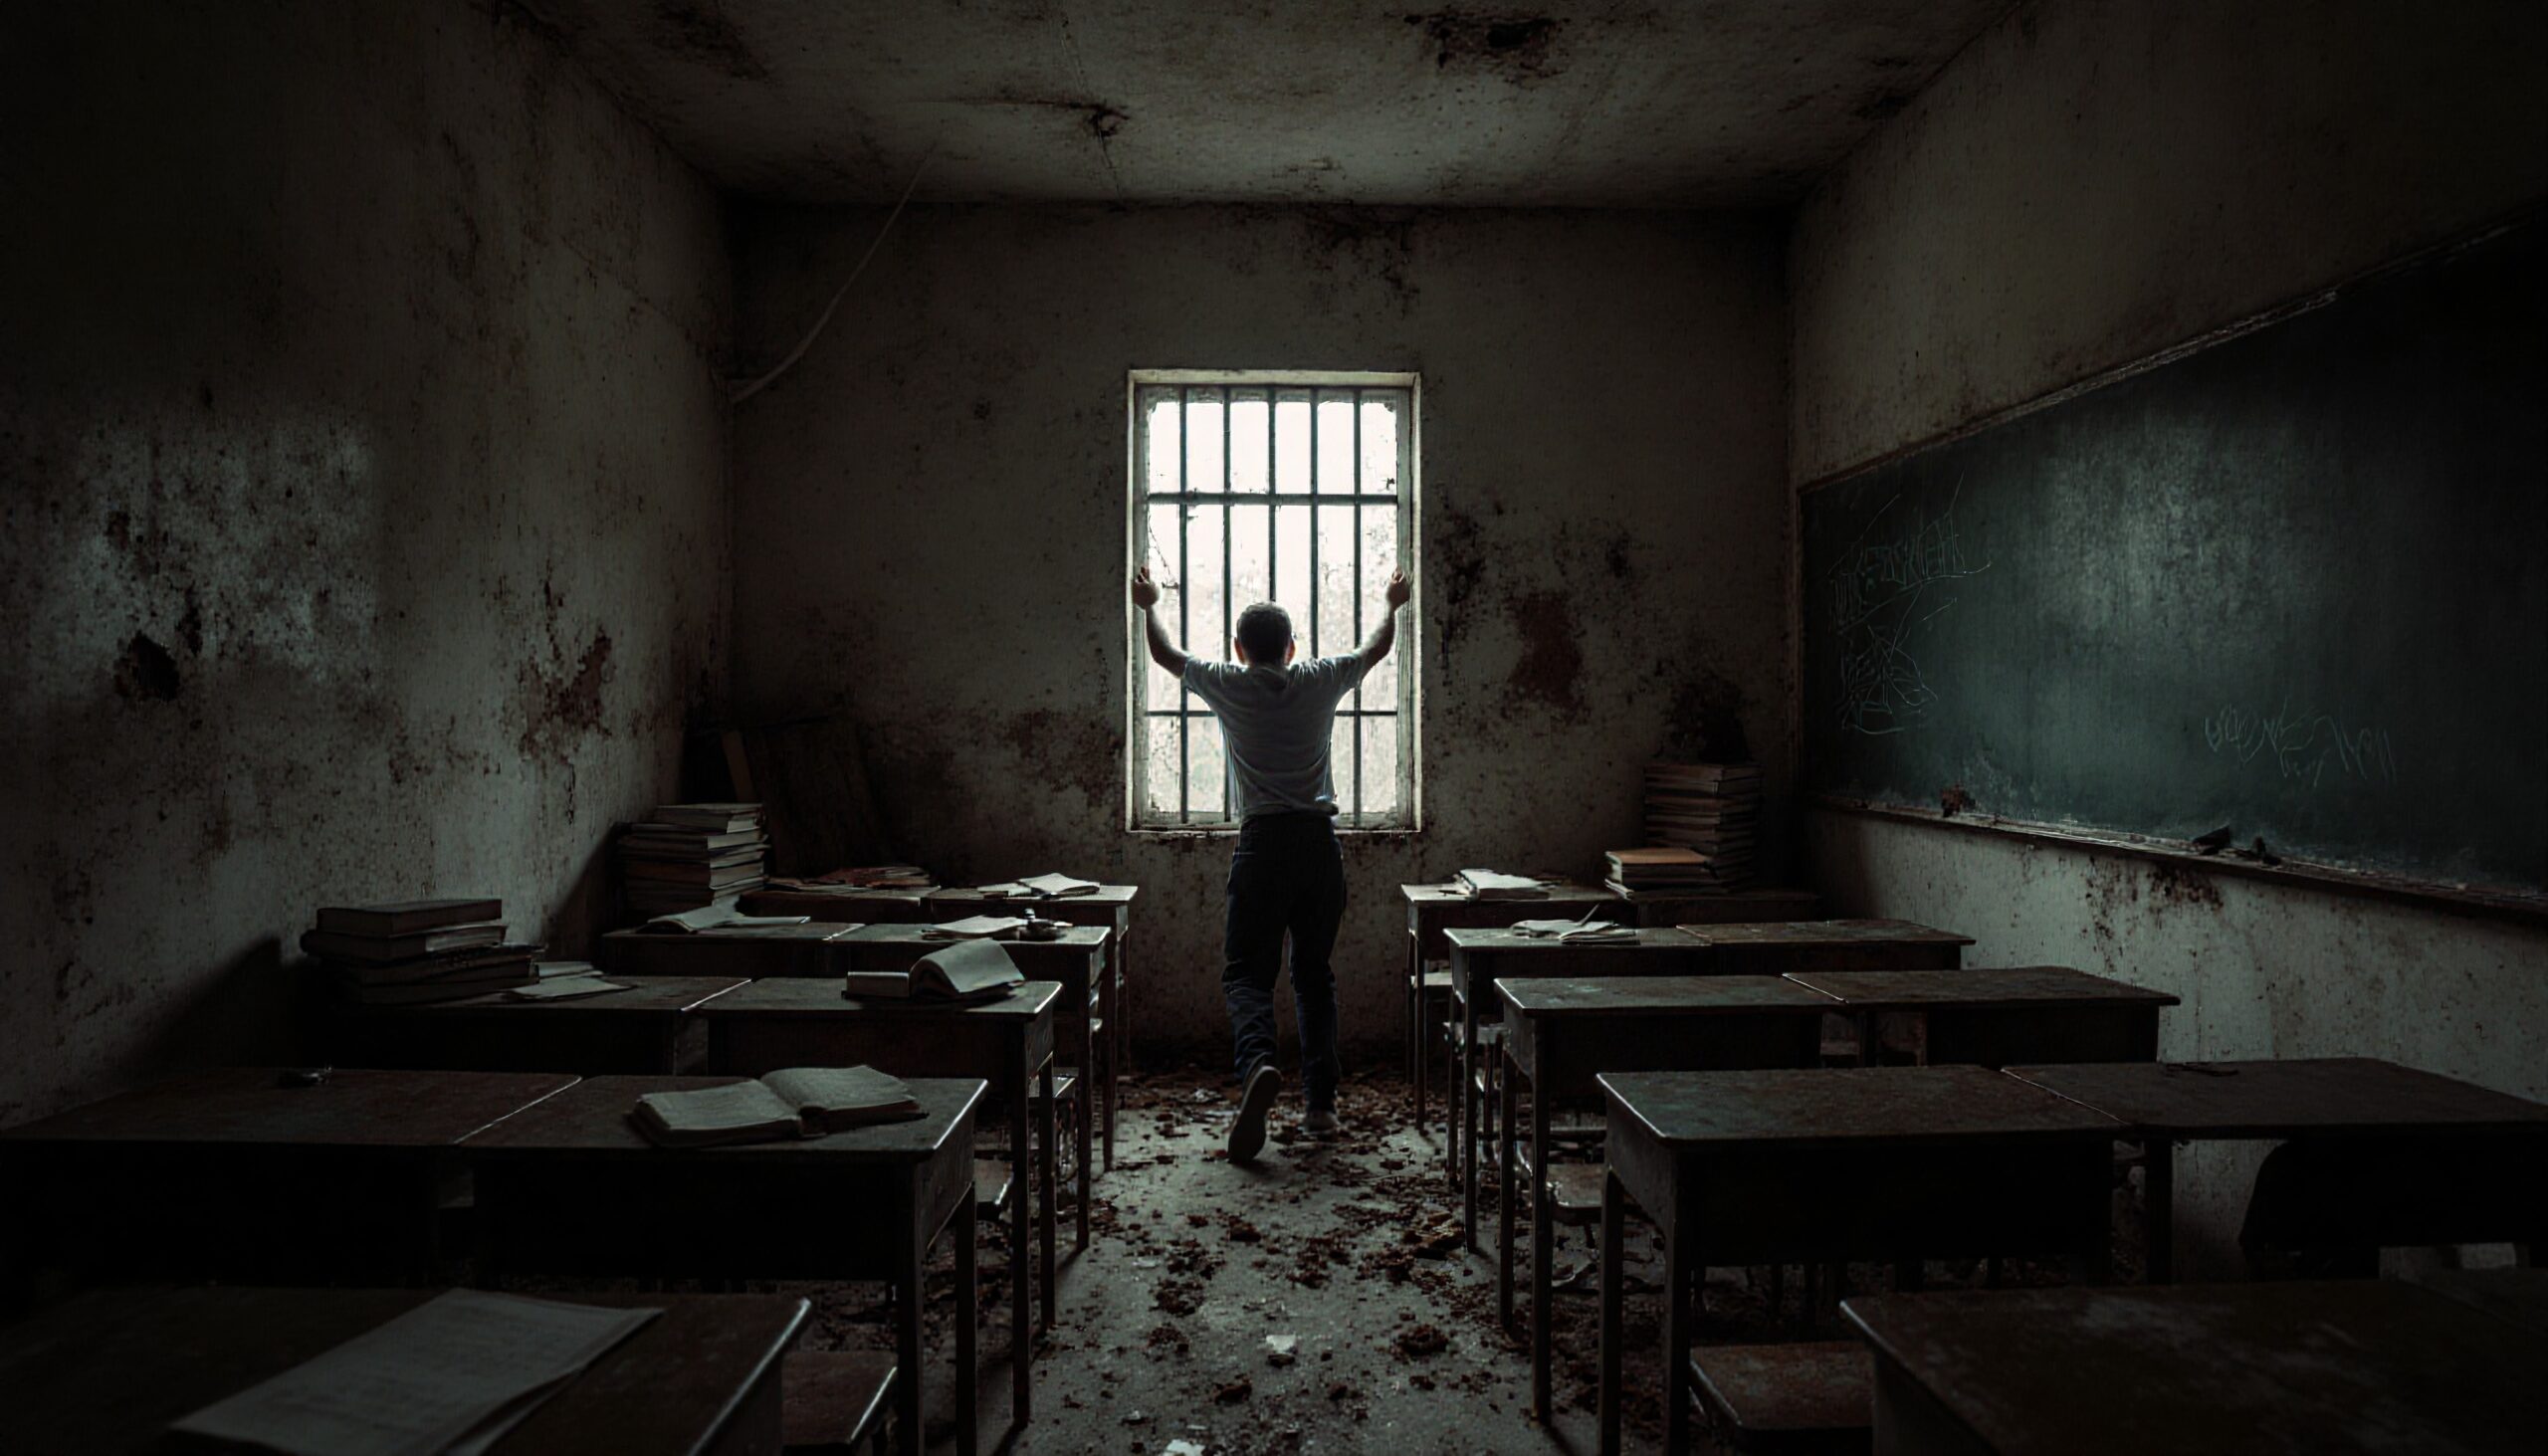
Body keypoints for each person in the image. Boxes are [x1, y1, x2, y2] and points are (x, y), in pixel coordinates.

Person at [1131, 563, 1412, 1162]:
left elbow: (1165, 655)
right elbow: (1376, 648)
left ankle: (1259, 1064)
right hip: (1317, 845)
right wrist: (1393, 603)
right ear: (1291, 648)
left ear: (1240, 649)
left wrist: (1149, 604)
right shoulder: (1319, 678)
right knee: (1313, 974)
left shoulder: (1229, 683)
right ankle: (1321, 1108)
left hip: (1262, 845)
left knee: (1246, 975)